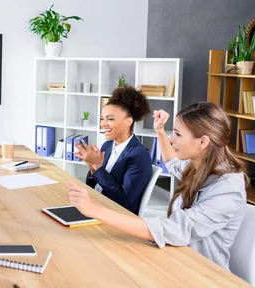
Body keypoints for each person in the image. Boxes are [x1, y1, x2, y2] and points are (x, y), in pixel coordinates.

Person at [69, 102, 249, 270]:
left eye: (178, 134)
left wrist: (93, 210)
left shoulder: (228, 186)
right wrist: (160, 131)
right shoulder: (199, 166)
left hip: (201, 271)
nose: (172, 140)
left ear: (203, 142)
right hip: (176, 257)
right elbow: (172, 162)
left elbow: (175, 229)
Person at [74, 85, 152, 214]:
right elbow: (94, 188)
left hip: (117, 216)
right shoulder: (107, 146)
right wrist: (92, 169)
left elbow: (123, 201)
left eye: (110, 119)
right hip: (98, 206)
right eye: (102, 118)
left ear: (128, 121)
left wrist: (98, 167)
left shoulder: (139, 155)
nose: (103, 124)